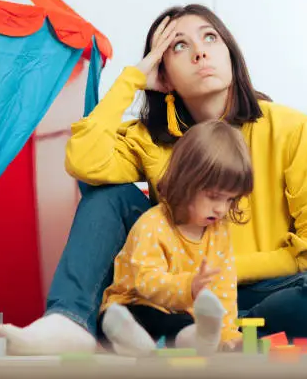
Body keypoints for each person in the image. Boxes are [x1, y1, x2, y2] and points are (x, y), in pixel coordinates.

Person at [0, 4, 307, 355]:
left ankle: (203, 335)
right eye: (179, 46)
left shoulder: (292, 129)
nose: (200, 52)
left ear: (230, 53)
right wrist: (132, 79)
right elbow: (84, 161)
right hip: (177, 290)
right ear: (164, 75)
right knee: (107, 195)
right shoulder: (151, 139)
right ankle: (71, 320)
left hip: (266, 291)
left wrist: (222, 274)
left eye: (210, 37)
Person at [98, 120, 250, 357]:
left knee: (184, 326)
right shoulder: (153, 224)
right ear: (186, 183)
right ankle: (133, 340)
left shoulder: (219, 232)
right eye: (214, 197)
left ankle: (202, 338)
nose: (221, 209)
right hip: (137, 305)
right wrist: (189, 286)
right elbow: (146, 283)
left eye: (230, 200)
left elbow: (224, 288)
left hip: (180, 318)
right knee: (117, 317)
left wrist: (227, 333)